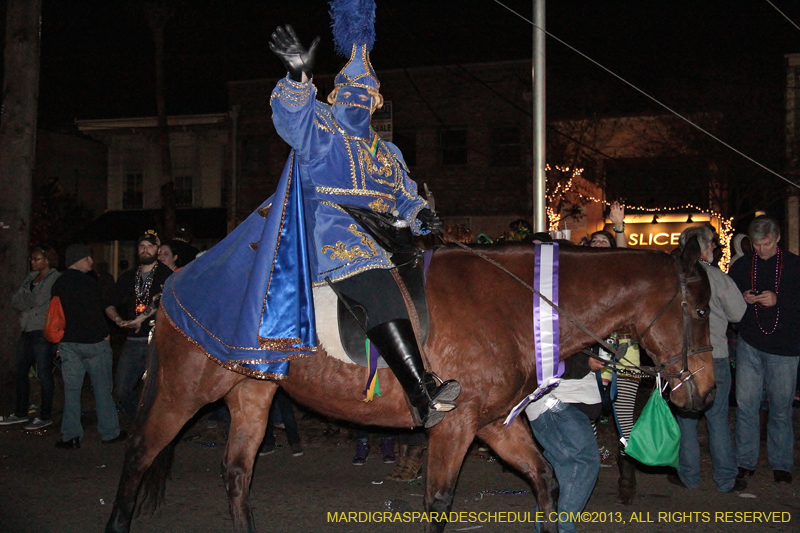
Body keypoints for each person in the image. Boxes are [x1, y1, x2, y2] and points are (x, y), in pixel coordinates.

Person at [265, 20, 460, 428]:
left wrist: (420, 214)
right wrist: (299, 75)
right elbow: (291, 117)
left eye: (366, 96)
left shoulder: (387, 151)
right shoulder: (321, 130)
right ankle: (421, 393)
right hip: (335, 233)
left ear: (376, 104)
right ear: (334, 96)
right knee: (376, 284)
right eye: (349, 94)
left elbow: (404, 195)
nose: (357, 101)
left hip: (390, 239)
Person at [669, 225, 747, 492]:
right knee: (718, 419)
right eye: (711, 245)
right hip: (716, 357)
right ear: (703, 248)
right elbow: (738, 314)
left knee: (686, 421)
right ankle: (725, 478)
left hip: (683, 359)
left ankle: (690, 477)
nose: (713, 249)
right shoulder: (716, 277)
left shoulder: (672, 278)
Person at [728, 216, 800, 484]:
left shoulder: (793, 265)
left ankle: (781, 463)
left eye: (766, 244)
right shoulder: (743, 265)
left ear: (777, 238)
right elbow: (729, 299)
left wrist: (778, 300)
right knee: (747, 406)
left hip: (785, 348)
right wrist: (743, 297)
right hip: (750, 343)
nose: (761, 249)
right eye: (756, 244)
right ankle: (745, 461)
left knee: (780, 408)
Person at [586, 201, 643, 503]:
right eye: (594, 241)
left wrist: (619, 228)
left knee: (624, 420)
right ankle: (583, 473)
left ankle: (627, 473)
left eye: (603, 241)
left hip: (625, 359)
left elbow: (627, 258)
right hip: (590, 361)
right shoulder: (581, 283)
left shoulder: (622, 279)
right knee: (586, 418)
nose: (598, 244)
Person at [51, 244, 124, 448]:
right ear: (80, 259)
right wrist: (105, 335)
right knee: (102, 389)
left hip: (68, 343)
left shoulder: (59, 283)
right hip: (93, 343)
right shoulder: (89, 283)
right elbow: (95, 314)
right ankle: (109, 432)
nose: (91, 261)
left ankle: (71, 435)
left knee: (72, 391)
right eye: (88, 257)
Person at [526, 353, 603, 533]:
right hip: (557, 401)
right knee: (581, 462)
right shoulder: (551, 324)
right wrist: (585, 362)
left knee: (561, 472)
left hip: (564, 403)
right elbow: (543, 356)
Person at [105, 231, 172, 420]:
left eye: (150, 246)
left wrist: (141, 318)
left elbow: (162, 300)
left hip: (156, 340)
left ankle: (157, 428)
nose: (145, 249)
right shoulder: (128, 277)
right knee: (122, 389)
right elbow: (109, 303)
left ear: (157, 251)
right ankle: (142, 422)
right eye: (142, 246)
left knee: (157, 389)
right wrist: (118, 320)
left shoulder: (165, 274)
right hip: (133, 340)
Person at [1, 245, 61, 429]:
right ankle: (20, 412)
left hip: (42, 331)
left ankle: (45, 414)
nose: (33, 262)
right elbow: (16, 301)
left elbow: (38, 300)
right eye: (32, 259)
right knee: (20, 372)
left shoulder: (54, 277)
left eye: (37, 259)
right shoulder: (30, 277)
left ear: (47, 260)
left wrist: (26, 299)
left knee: (43, 373)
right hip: (27, 329)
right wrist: (27, 299)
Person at [258, 389, 304, 457]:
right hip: (266, 383)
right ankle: (268, 443)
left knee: (287, 411)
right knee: (267, 411)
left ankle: (294, 442)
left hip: (281, 382)